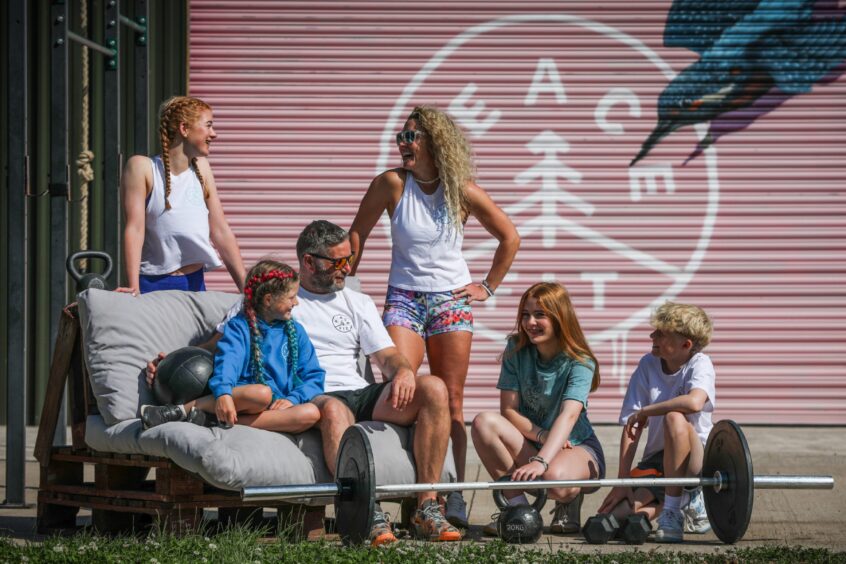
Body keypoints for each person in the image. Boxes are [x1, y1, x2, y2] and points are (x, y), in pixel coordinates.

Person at [146, 221, 461, 546]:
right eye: (337, 262)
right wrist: (171, 361)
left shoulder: (357, 301)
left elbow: (387, 356)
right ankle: (368, 512)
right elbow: (217, 346)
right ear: (309, 262)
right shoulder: (268, 301)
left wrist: (404, 372)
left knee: (434, 389)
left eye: (348, 260)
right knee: (335, 411)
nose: (347, 268)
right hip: (317, 396)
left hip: (360, 392)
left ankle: (427, 506)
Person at [348, 105, 520, 527]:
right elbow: (357, 233)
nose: (402, 144)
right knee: (400, 387)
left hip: (450, 300)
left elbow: (510, 237)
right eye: (400, 137)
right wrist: (341, 283)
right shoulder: (391, 184)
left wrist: (487, 286)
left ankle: (451, 495)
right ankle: (398, 486)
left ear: (434, 143)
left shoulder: (462, 190)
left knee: (453, 399)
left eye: (411, 137)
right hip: (404, 297)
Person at [471, 282, 605, 536]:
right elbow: (508, 412)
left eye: (540, 315)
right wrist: (541, 439)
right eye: (525, 315)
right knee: (483, 422)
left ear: (560, 317)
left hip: (576, 446)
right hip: (535, 440)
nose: (530, 322)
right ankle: (519, 512)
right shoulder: (516, 348)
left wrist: (541, 461)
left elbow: (569, 415)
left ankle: (569, 500)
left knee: (555, 484)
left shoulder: (580, 361)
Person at [140, 259, 322, 433]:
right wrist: (223, 393)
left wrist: (293, 399)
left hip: (275, 407)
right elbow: (227, 362)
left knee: (311, 413)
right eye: (291, 297)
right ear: (268, 300)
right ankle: (178, 412)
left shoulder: (296, 332)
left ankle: (211, 420)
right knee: (261, 394)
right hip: (244, 400)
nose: (296, 303)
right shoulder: (240, 327)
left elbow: (314, 376)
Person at [597, 302, 715, 543]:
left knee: (674, 417)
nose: (652, 336)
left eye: (661, 333)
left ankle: (679, 504)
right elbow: (632, 426)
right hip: (658, 461)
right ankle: (675, 508)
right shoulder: (648, 364)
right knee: (613, 516)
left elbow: (694, 403)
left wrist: (648, 411)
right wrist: (622, 481)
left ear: (686, 345)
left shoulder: (700, 363)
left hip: (697, 462)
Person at [120, 96, 245, 295]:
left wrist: (245, 288)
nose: (214, 134)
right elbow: (135, 228)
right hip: (153, 284)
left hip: (194, 283)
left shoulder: (202, 169)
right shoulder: (142, 167)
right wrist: (134, 287)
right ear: (184, 129)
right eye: (208, 125)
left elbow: (221, 231)